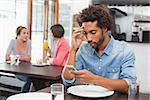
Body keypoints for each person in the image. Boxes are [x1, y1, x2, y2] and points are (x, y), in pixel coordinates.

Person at [62, 5, 136, 93]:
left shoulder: (124, 50)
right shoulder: (83, 50)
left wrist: (94, 79)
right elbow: (67, 81)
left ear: (104, 29)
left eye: (93, 32)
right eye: (85, 33)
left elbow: (129, 86)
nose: (88, 38)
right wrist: (73, 49)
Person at [5, 26, 31, 92]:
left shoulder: (29, 42)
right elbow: (7, 57)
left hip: (27, 70)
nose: (26, 35)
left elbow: (29, 58)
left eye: (27, 33)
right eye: (24, 33)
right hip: (16, 70)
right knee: (28, 79)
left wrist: (16, 57)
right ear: (18, 34)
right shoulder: (13, 42)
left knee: (35, 79)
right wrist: (22, 58)